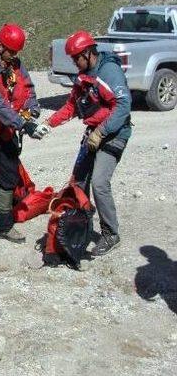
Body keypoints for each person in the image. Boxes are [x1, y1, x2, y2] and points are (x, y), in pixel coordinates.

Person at [41, 30, 131, 256]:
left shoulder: (109, 72)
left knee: (99, 183)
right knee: (79, 182)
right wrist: (48, 123)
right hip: (93, 134)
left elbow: (123, 106)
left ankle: (111, 233)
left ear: (89, 53)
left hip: (114, 133)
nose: (74, 63)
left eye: (76, 58)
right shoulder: (83, 76)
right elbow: (72, 106)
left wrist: (101, 132)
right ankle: (80, 225)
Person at [0, 23, 43, 243]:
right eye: (11, 51)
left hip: (10, 128)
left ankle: (2, 225)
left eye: (16, 52)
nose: (13, 56)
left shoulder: (16, 65)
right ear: (0, 45)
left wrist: (32, 109)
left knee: (9, 174)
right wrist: (23, 124)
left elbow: (28, 89)